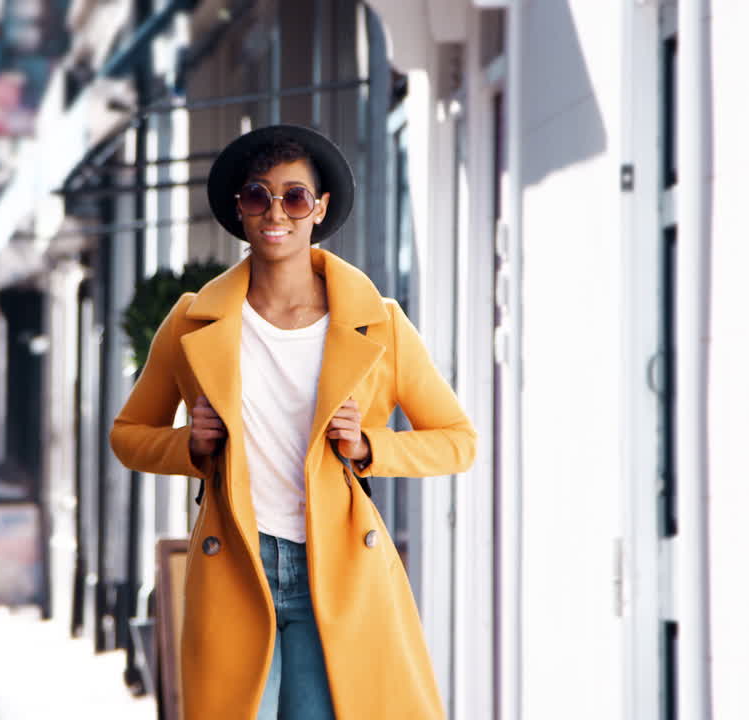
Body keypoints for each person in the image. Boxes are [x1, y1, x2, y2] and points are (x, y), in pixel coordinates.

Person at [110, 125, 478, 719]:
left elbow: (458, 442)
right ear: (240, 208)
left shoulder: (379, 323)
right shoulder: (191, 323)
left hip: (334, 569)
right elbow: (128, 434)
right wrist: (190, 446)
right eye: (258, 195)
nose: (276, 211)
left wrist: (369, 448)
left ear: (320, 208)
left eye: (295, 196)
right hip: (235, 562)